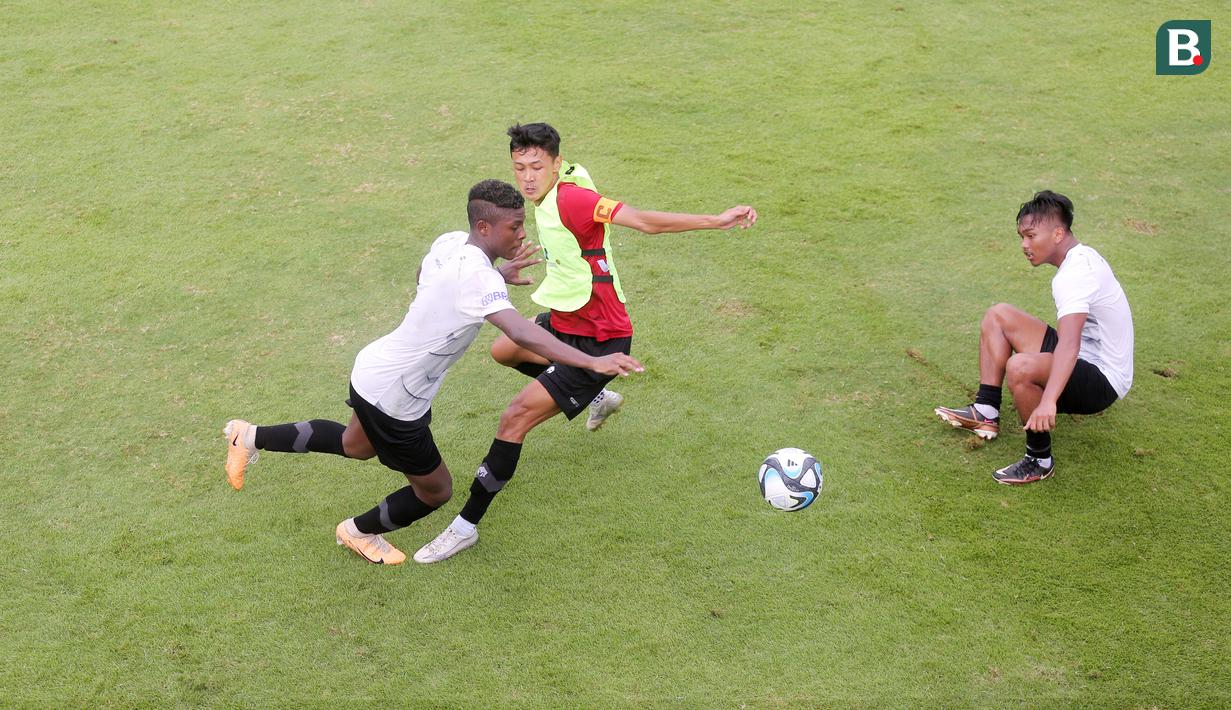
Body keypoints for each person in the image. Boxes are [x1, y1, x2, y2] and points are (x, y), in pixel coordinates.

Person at [222, 179, 642, 565]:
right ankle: (357, 531)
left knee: (356, 444)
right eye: (514, 226)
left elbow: (425, 275)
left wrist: (492, 276)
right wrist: (591, 361)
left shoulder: (450, 243)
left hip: (373, 368)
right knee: (436, 490)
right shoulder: (479, 278)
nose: (521, 234)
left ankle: (248, 436)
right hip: (398, 399)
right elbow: (520, 332)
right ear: (484, 227)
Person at [414, 122, 757, 563]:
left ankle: (464, 527)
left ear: (558, 163)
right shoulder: (550, 196)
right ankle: (596, 398)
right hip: (565, 320)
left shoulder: (574, 198)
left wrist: (717, 219)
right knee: (504, 350)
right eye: (520, 168)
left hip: (599, 339)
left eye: (537, 166)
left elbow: (644, 222)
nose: (528, 177)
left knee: (513, 419)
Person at [935, 190, 1133, 485]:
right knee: (998, 315)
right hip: (1082, 357)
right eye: (1021, 237)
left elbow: (1069, 344)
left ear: (1057, 233)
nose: (1025, 245)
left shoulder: (1074, 275)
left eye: (1031, 236)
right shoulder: (1078, 258)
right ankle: (986, 410)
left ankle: (1039, 459)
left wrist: (1048, 401)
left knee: (1020, 368)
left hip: (1103, 379)